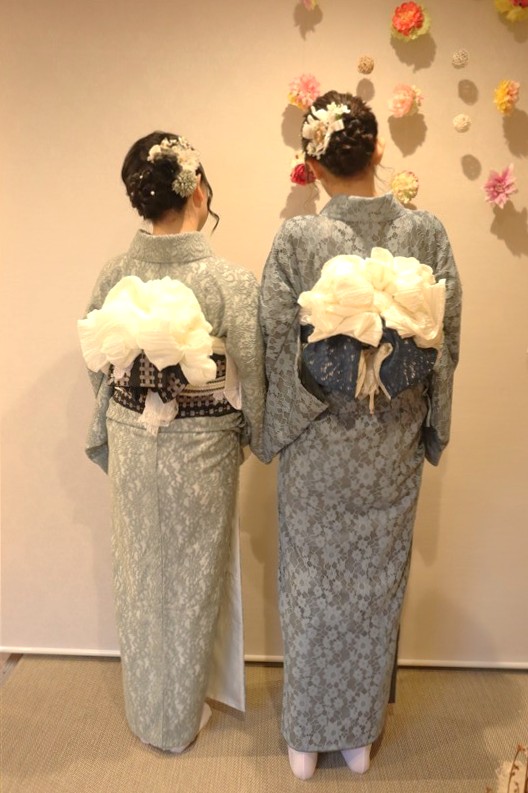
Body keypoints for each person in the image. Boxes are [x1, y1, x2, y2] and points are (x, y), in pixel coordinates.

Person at [259, 91, 462, 780]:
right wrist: (431, 425)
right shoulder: (426, 232)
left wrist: (301, 403)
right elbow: (446, 338)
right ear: (379, 150)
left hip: (318, 439)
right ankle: (356, 736)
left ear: (313, 166)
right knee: (376, 580)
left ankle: (306, 735)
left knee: (310, 580)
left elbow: (276, 341)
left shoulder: (297, 239)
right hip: (391, 438)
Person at [79, 131, 265, 752]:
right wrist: (253, 431)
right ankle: (179, 719)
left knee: (138, 571)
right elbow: (254, 373)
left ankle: (149, 715)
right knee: (192, 577)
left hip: (132, 436)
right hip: (203, 443)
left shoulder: (116, 273)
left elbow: (96, 361)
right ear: (199, 191)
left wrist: (122, 414)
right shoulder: (228, 279)